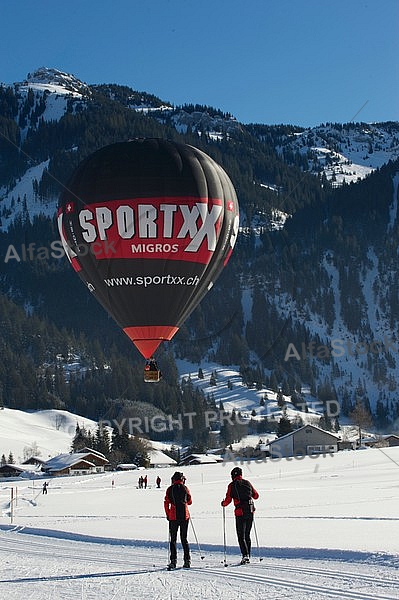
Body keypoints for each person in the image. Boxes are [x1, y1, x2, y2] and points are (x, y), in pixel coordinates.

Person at [221, 466, 259, 564]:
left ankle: (245, 556)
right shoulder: (247, 483)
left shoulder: (232, 485)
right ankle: (248, 555)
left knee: (240, 535)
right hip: (250, 511)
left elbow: (228, 499)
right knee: (247, 535)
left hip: (240, 512)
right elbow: (256, 496)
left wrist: (223, 504)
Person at [164, 471, 192, 569]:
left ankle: (173, 561)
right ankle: (187, 560)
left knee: (173, 540)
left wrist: (168, 514)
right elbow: (190, 501)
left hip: (173, 516)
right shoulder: (185, 488)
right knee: (184, 539)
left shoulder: (170, 489)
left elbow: (166, 502)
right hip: (185, 516)